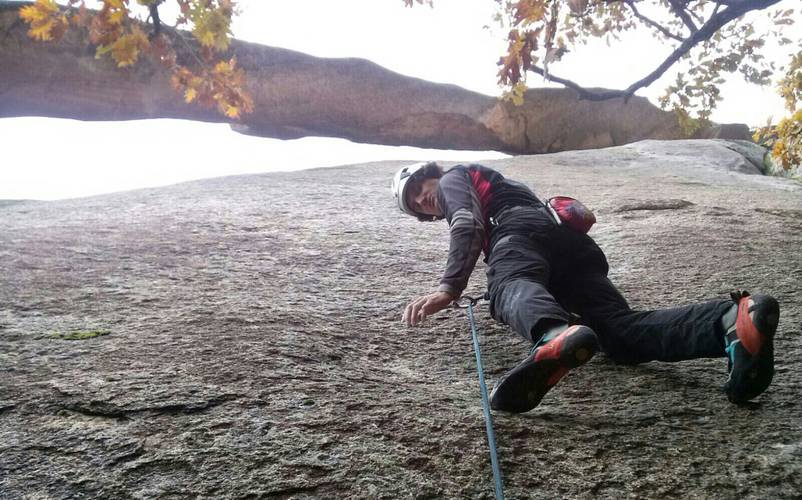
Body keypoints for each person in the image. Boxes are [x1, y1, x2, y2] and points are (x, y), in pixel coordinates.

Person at [391, 161, 780, 413]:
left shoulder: (453, 178)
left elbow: (466, 222)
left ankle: (552, 333)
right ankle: (732, 320)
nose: (424, 201)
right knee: (620, 333)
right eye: (417, 206)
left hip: (515, 235)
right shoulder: (506, 184)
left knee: (508, 284)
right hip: (569, 247)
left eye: (418, 190)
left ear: (430, 173)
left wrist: (449, 287)